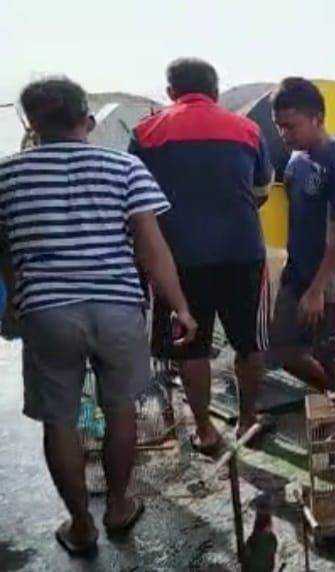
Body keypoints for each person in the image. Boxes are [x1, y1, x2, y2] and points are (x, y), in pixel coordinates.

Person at [0, 77, 196, 554]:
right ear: (85, 119)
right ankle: (119, 507)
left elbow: (4, 252)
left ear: (31, 124)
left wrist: (13, 303)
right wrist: (181, 307)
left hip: (47, 312)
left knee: (59, 420)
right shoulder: (124, 167)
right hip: (116, 308)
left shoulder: (7, 175)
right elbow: (152, 248)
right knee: (120, 408)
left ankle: (81, 525)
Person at [130, 58, 272, 452]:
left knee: (189, 345)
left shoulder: (146, 133)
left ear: (170, 91)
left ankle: (206, 431)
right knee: (249, 342)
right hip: (242, 251)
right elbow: (261, 189)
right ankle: (248, 421)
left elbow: (136, 201)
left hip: (176, 259)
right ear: (215, 90)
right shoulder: (247, 129)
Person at [269, 77, 335, 392]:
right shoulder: (296, 160)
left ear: (317, 119)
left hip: (330, 283)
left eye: (291, 126)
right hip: (296, 273)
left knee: (331, 355)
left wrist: (317, 290)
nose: (284, 134)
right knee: (281, 348)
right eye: (279, 126)